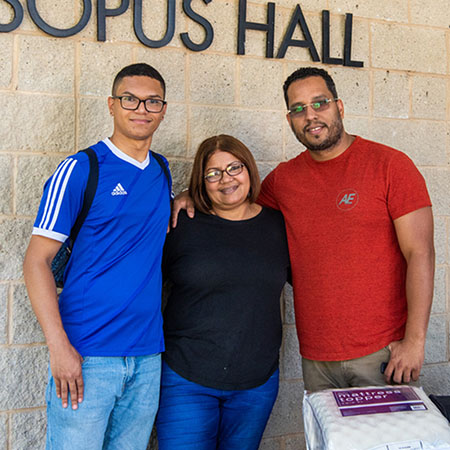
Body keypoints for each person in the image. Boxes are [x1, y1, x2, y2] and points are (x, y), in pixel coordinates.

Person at [171, 67, 435, 392]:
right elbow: (236, 204)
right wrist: (190, 194)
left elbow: (420, 253)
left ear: (339, 107)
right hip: (317, 358)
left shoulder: (390, 165)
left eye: (319, 103)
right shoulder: (283, 181)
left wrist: (415, 341)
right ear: (289, 120)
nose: (310, 116)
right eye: (298, 109)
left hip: (383, 353)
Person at [23, 63, 171, 449]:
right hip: (86, 356)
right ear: (111, 104)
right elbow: (36, 261)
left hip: (146, 355)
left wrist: (183, 200)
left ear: (163, 109)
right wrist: (59, 349)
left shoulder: (161, 170)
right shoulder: (80, 169)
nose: (141, 108)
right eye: (130, 99)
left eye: (152, 101)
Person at [156, 135, 290, 449]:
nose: (226, 179)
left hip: (256, 382)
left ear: (249, 170)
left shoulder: (278, 226)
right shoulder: (180, 224)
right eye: (213, 173)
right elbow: (145, 284)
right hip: (185, 378)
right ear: (201, 183)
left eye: (234, 167)